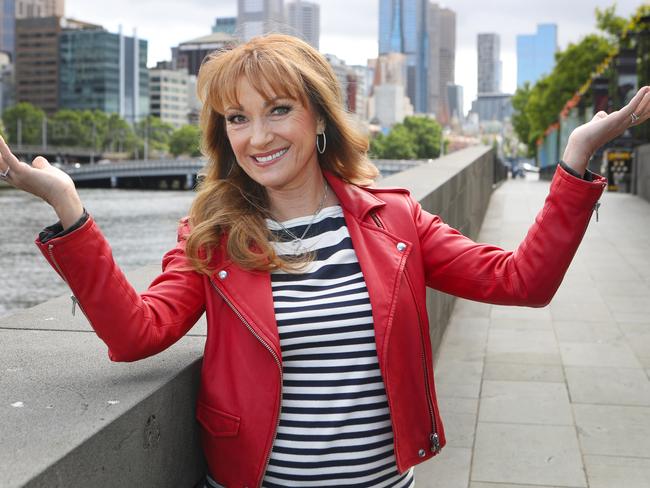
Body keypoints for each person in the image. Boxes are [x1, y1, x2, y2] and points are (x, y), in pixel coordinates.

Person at [0, 34, 648, 487]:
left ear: (317, 118)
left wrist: (576, 160)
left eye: (278, 110)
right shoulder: (213, 234)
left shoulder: (394, 221)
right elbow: (136, 333)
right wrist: (69, 209)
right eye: (237, 118)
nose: (258, 136)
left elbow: (523, 282)